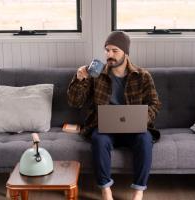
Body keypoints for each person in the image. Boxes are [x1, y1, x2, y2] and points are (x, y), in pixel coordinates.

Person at [67, 31, 161, 200]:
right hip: (105, 128)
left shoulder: (143, 76)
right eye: (107, 50)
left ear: (125, 52)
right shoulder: (96, 75)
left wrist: (141, 119)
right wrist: (80, 78)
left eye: (114, 50)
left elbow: (155, 104)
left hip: (134, 129)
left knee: (145, 139)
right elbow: (75, 102)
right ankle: (106, 190)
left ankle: (138, 192)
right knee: (99, 139)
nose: (109, 55)